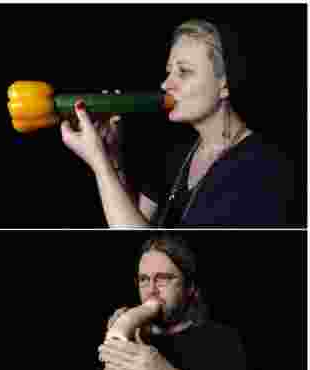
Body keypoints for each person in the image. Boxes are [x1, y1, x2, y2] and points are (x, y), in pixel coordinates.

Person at [62, 19, 297, 227]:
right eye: (168, 71)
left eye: (183, 72)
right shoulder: (174, 155)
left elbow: (152, 249)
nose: (166, 84)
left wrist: (99, 163)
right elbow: (133, 223)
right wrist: (110, 157)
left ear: (224, 84)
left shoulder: (263, 170)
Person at [79, 235, 250, 370]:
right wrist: (118, 349)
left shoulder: (221, 339)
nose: (151, 290)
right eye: (144, 279)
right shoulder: (135, 336)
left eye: (163, 279)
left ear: (190, 288)